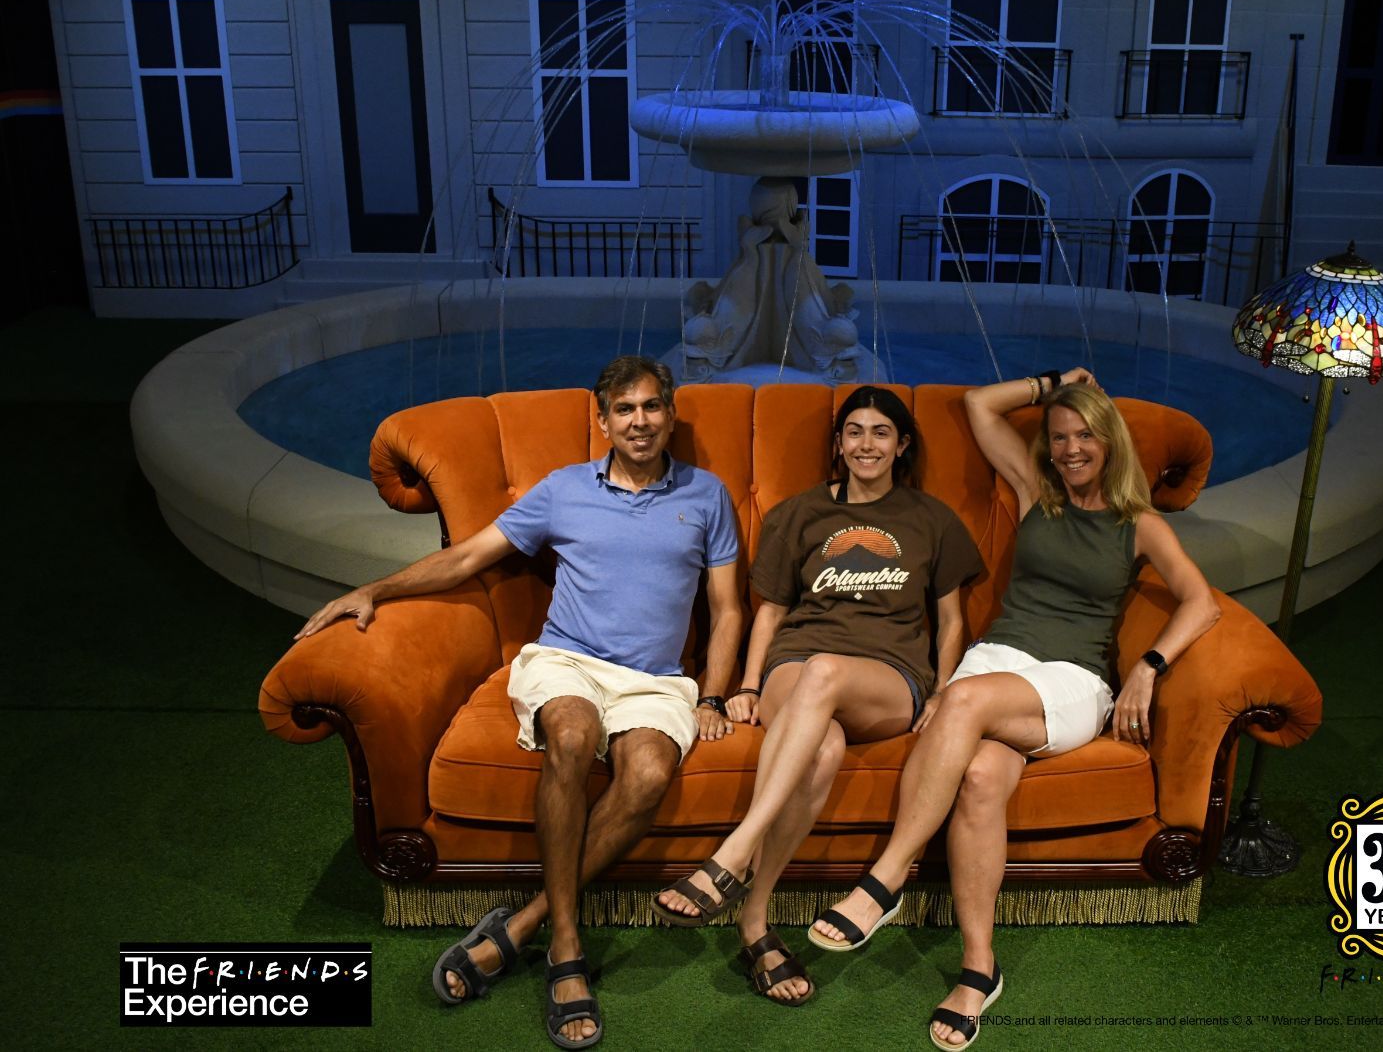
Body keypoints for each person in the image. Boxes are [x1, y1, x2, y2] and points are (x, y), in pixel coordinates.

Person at [294, 356, 743, 1050]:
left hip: (656, 679)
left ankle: (521, 925)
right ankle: (565, 946)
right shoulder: (563, 489)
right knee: (571, 737)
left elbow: (727, 606)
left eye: (652, 406)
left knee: (650, 775)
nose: (640, 421)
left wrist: (712, 694)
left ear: (670, 414)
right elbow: (467, 556)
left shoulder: (706, 495)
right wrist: (375, 590)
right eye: (624, 410)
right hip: (567, 660)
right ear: (602, 421)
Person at [806, 373, 1220, 1050]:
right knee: (978, 780)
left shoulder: (1138, 524)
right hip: (996, 661)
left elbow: (1200, 603)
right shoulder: (1037, 496)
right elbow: (979, 405)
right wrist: (1054, 384)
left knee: (959, 701)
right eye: (1058, 437)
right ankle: (979, 971)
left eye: (1084, 435)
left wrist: (1149, 666)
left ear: (1109, 441)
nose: (1070, 449)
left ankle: (886, 878)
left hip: (1070, 677)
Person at [651, 386, 984, 1007]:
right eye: (854, 431)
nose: (866, 444)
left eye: (881, 432)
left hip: (887, 675)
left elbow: (952, 621)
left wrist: (944, 690)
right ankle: (755, 921)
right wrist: (749, 685)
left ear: (901, 445)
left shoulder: (932, 519)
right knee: (821, 747)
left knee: (825, 671)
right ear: (839, 443)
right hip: (796, 664)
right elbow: (771, 612)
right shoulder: (799, 514)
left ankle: (733, 852)